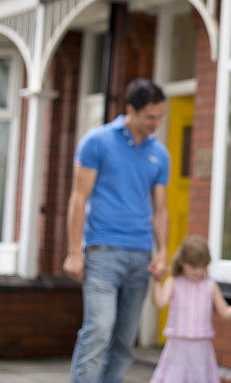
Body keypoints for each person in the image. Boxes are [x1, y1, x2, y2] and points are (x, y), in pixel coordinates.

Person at [64, 78, 171, 383]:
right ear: (130, 110)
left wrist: (162, 252)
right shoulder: (96, 142)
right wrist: (74, 252)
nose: (156, 123)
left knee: (124, 341)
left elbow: (160, 209)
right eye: (150, 116)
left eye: (160, 116)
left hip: (141, 255)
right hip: (103, 251)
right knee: (98, 330)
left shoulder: (160, 154)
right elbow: (78, 198)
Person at [150, 235, 231, 383]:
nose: (199, 272)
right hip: (177, 347)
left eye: (203, 267)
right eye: (194, 267)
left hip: (201, 348)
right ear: (182, 262)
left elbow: (225, 311)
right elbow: (160, 302)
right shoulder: (174, 282)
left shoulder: (210, 286)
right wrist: (157, 281)